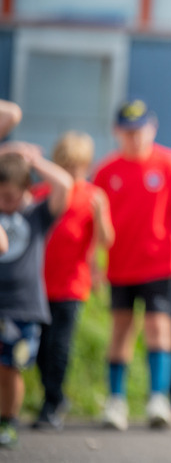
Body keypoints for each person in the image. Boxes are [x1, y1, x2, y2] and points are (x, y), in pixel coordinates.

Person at [92, 100, 171, 431]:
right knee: (121, 329)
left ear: (152, 129)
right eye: (128, 132)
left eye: (141, 131)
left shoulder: (168, 163)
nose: (135, 138)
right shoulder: (107, 170)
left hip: (159, 262)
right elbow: (93, 223)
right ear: (117, 132)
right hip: (121, 264)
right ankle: (116, 400)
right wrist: (94, 263)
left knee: (159, 327)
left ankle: (158, 398)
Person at [33, 131, 115, 430]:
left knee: (60, 345)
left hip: (71, 284)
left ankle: (51, 403)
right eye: (67, 165)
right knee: (38, 346)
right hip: (38, 283)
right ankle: (51, 393)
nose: (72, 172)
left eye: (78, 166)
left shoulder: (94, 196)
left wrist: (101, 216)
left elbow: (106, 241)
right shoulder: (41, 194)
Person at [0, 141, 73, 448]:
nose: (5, 201)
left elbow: (65, 185)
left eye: (11, 196)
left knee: (11, 367)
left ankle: (9, 421)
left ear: (26, 189)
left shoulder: (37, 215)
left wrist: (33, 160)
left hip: (24, 307)